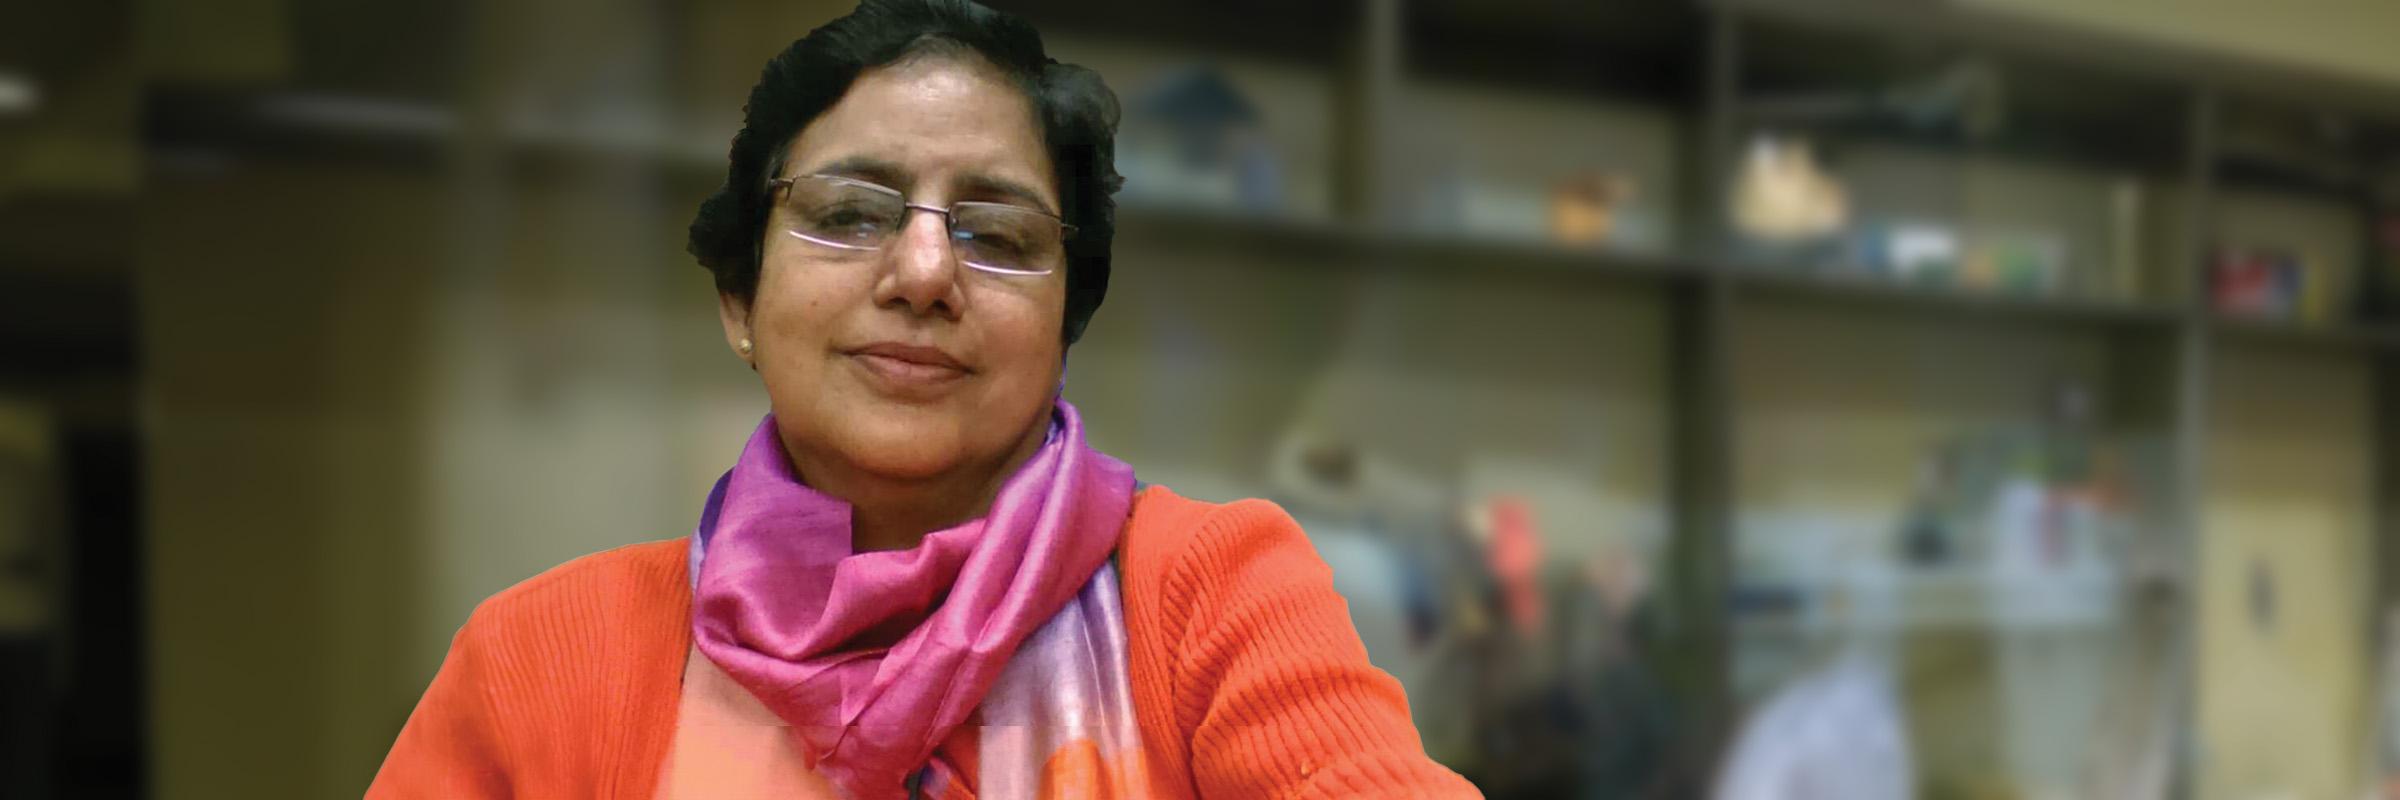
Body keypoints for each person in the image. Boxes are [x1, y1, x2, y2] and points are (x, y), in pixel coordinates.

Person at [365, 1, 1478, 798]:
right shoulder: (544, 657)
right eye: (851, 214)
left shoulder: (1211, 594)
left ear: (1062, 329)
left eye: (997, 236)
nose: (924, 272)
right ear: (740, 298)